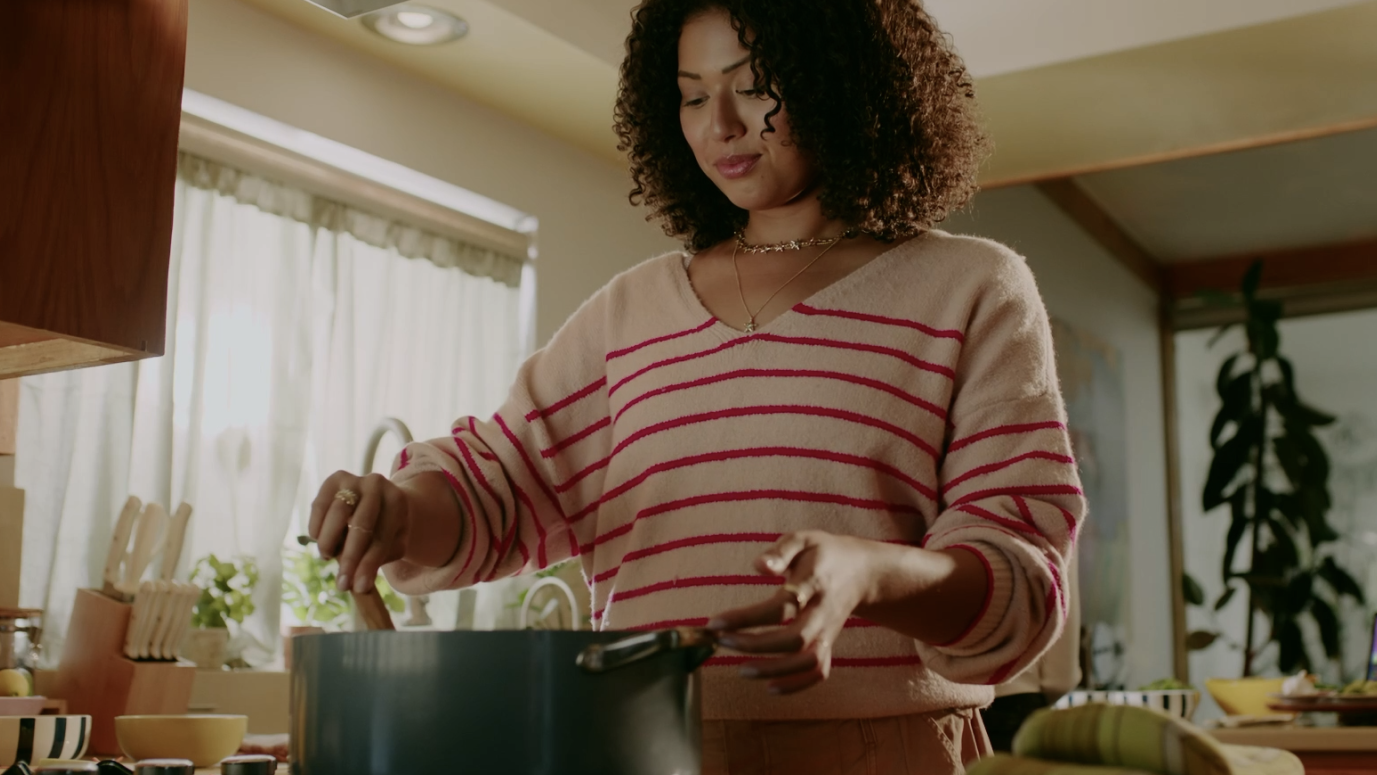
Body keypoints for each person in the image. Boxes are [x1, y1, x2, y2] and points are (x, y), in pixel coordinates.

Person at [307, 1, 1084, 772]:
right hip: (642, 745)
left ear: (843, 81)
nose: (720, 124)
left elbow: (1022, 571)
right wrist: (401, 514)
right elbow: (500, 488)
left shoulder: (971, 287)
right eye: (690, 94)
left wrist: (870, 574)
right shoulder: (629, 312)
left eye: (754, 85)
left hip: (883, 750)